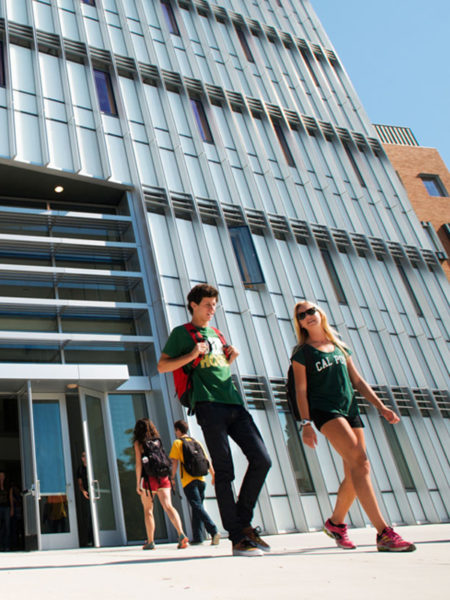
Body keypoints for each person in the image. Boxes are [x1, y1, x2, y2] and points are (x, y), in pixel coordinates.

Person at [291, 300, 416, 552]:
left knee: (353, 472)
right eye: (301, 315)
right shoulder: (302, 353)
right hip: (325, 412)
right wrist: (306, 423)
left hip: (351, 410)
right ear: (300, 323)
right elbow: (301, 390)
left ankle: (335, 523)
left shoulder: (339, 347)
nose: (307, 316)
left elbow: (357, 380)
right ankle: (383, 532)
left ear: (320, 313)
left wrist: (381, 407)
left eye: (310, 311)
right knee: (362, 463)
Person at [157, 284, 272, 557]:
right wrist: (192, 354)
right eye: (208, 305)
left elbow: (216, 367)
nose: (212, 310)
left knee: (262, 459)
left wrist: (230, 358)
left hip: (234, 402)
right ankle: (237, 536)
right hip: (208, 405)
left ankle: (242, 523)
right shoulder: (181, 333)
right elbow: (163, 366)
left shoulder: (217, 334)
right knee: (224, 469)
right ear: (193, 305)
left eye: (215, 306)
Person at [133, 418, 188, 550]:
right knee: (168, 506)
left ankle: (151, 542)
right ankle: (181, 534)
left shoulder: (139, 443)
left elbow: (139, 464)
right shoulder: (158, 441)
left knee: (148, 511)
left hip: (149, 480)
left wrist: (137, 483)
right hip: (163, 477)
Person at [169, 419, 220, 546]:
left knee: (197, 506)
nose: (175, 433)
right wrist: (213, 475)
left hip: (188, 480)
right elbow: (207, 460)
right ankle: (197, 537)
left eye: (176, 430)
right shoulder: (196, 442)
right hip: (201, 479)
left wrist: (172, 477)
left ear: (179, 430)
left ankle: (213, 531)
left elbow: (174, 462)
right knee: (197, 507)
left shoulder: (177, 443)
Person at [76, 452, 93, 547]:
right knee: (88, 517)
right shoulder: (80, 469)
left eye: (86, 456)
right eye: (83, 456)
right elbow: (80, 483)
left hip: (95, 492)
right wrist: (83, 491)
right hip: (87, 494)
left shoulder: (93, 466)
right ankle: (90, 539)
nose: (85, 458)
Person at [0, 471, 11, 551]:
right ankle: (1, 546)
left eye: (2, 475)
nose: (1, 477)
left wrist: (12, 508)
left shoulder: (8, 485)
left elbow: (10, 497)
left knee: (7, 527)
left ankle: (7, 546)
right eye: (0, 475)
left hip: (7, 507)